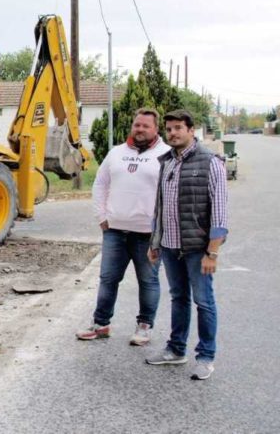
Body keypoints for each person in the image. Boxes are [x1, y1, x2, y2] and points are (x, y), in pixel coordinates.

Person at [145, 109, 228, 381]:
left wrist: (212, 252)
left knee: (204, 302)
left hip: (197, 249)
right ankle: (176, 349)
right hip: (169, 247)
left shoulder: (210, 162)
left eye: (179, 128)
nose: (173, 133)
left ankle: (206, 356)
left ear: (192, 130)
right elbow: (160, 206)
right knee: (179, 298)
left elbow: (219, 211)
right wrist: (155, 242)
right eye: (169, 129)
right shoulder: (166, 162)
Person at [76, 108, 171, 345]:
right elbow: (100, 184)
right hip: (115, 231)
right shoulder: (116, 153)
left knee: (148, 281)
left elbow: (172, 192)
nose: (139, 129)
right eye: (137, 125)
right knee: (108, 279)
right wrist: (101, 216)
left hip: (148, 234)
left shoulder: (167, 154)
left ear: (155, 129)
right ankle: (101, 324)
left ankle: (144, 327)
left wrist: (162, 226)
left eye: (145, 126)